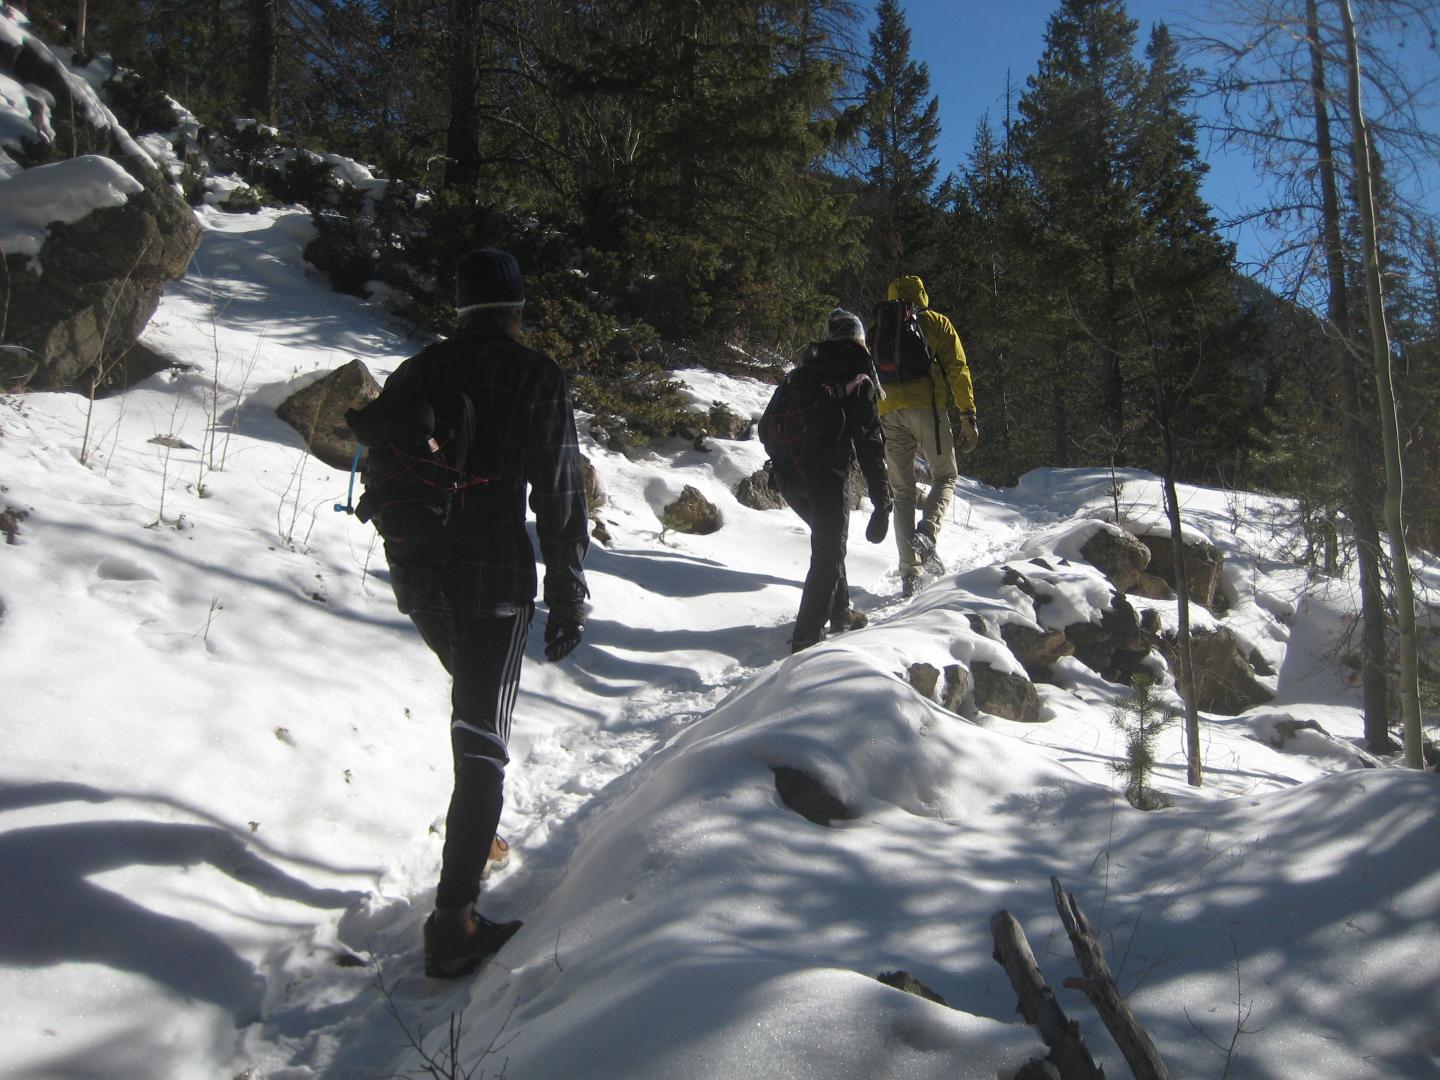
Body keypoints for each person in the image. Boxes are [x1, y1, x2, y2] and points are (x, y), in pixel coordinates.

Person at [350, 248, 590, 978]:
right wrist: (569, 585)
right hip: (493, 578)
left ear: (459, 307)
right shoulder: (534, 374)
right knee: (481, 738)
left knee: (472, 710)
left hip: (416, 572)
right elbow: (558, 488)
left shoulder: (418, 370)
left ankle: (475, 830)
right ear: (515, 308)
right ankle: (453, 922)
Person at [760, 308, 893, 652]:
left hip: (788, 476)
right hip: (826, 477)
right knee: (828, 553)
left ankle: (841, 611)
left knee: (829, 545)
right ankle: (806, 640)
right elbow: (870, 446)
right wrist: (882, 502)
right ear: (859, 339)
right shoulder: (858, 376)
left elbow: (765, 427)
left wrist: (786, 464)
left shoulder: (802, 373)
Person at [871, 275, 977, 598]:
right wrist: (967, 414)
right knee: (946, 475)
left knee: (902, 493)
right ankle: (928, 533)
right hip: (926, 408)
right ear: (922, 295)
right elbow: (957, 369)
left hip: (887, 410)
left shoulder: (880, 325)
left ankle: (910, 574)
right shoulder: (936, 323)